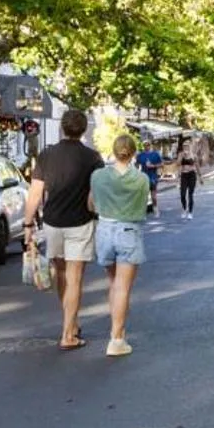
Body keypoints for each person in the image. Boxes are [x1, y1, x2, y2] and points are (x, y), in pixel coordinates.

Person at [23, 109, 103, 351]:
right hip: (80, 222)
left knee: (61, 274)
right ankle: (68, 333)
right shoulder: (92, 158)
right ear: (83, 130)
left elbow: (35, 193)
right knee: (75, 278)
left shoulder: (47, 155)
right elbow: (93, 196)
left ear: (62, 128)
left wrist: (28, 225)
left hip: (53, 222)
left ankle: (71, 323)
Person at [89, 134, 152, 358]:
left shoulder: (97, 176)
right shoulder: (141, 179)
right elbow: (144, 205)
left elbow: (91, 203)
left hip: (104, 230)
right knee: (123, 287)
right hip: (128, 231)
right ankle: (116, 339)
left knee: (113, 283)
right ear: (133, 153)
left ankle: (118, 330)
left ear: (114, 151)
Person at [138, 139, 164, 217]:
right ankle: (143, 212)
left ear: (150, 145)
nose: (147, 146)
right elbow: (137, 164)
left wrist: (153, 166)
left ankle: (155, 209)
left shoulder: (155, 154)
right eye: (145, 145)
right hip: (143, 177)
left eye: (148, 145)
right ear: (143, 146)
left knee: (153, 197)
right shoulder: (140, 155)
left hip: (153, 177)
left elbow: (162, 164)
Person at [177, 138, 201, 219]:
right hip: (184, 175)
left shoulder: (194, 155)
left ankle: (190, 212)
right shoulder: (181, 154)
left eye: (187, 146)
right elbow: (178, 164)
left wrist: (200, 177)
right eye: (184, 146)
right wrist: (183, 156)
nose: (186, 147)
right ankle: (184, 209)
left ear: (190, 146)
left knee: (190, 195)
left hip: (192, 175)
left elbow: (197, 166)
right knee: (182, 195)